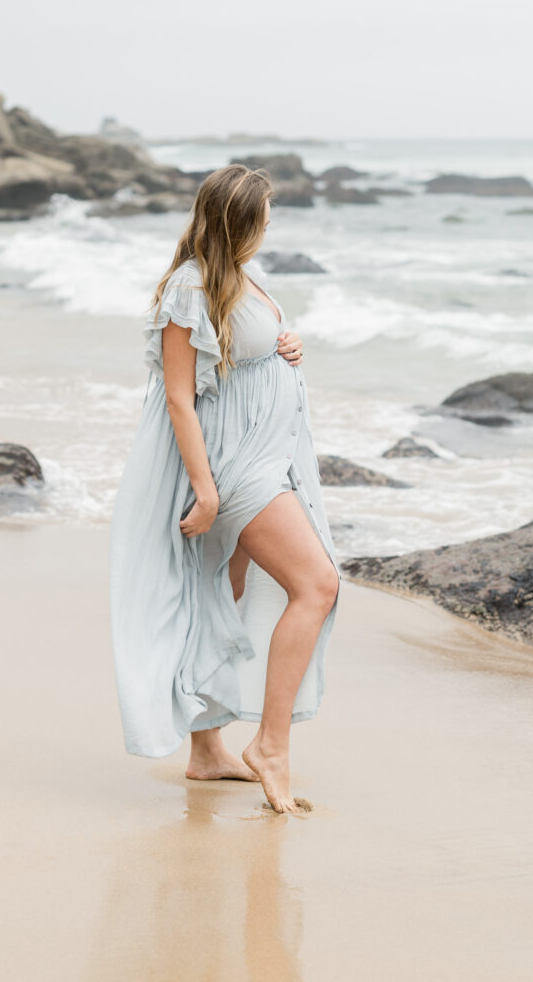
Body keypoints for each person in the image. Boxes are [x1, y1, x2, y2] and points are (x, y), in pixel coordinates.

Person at [109, 164, 341, 814]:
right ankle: (269, 746)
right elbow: (180, 400)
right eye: (264, 213)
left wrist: (283, 345)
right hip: (236, 470)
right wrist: (206, 493)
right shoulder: (189, 287)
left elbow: (238, 354)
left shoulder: (236, 277)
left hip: (264, 456)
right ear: (242, 219)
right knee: (316, 585)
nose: (270, 223)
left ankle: (207, 752)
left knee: (223, 593)